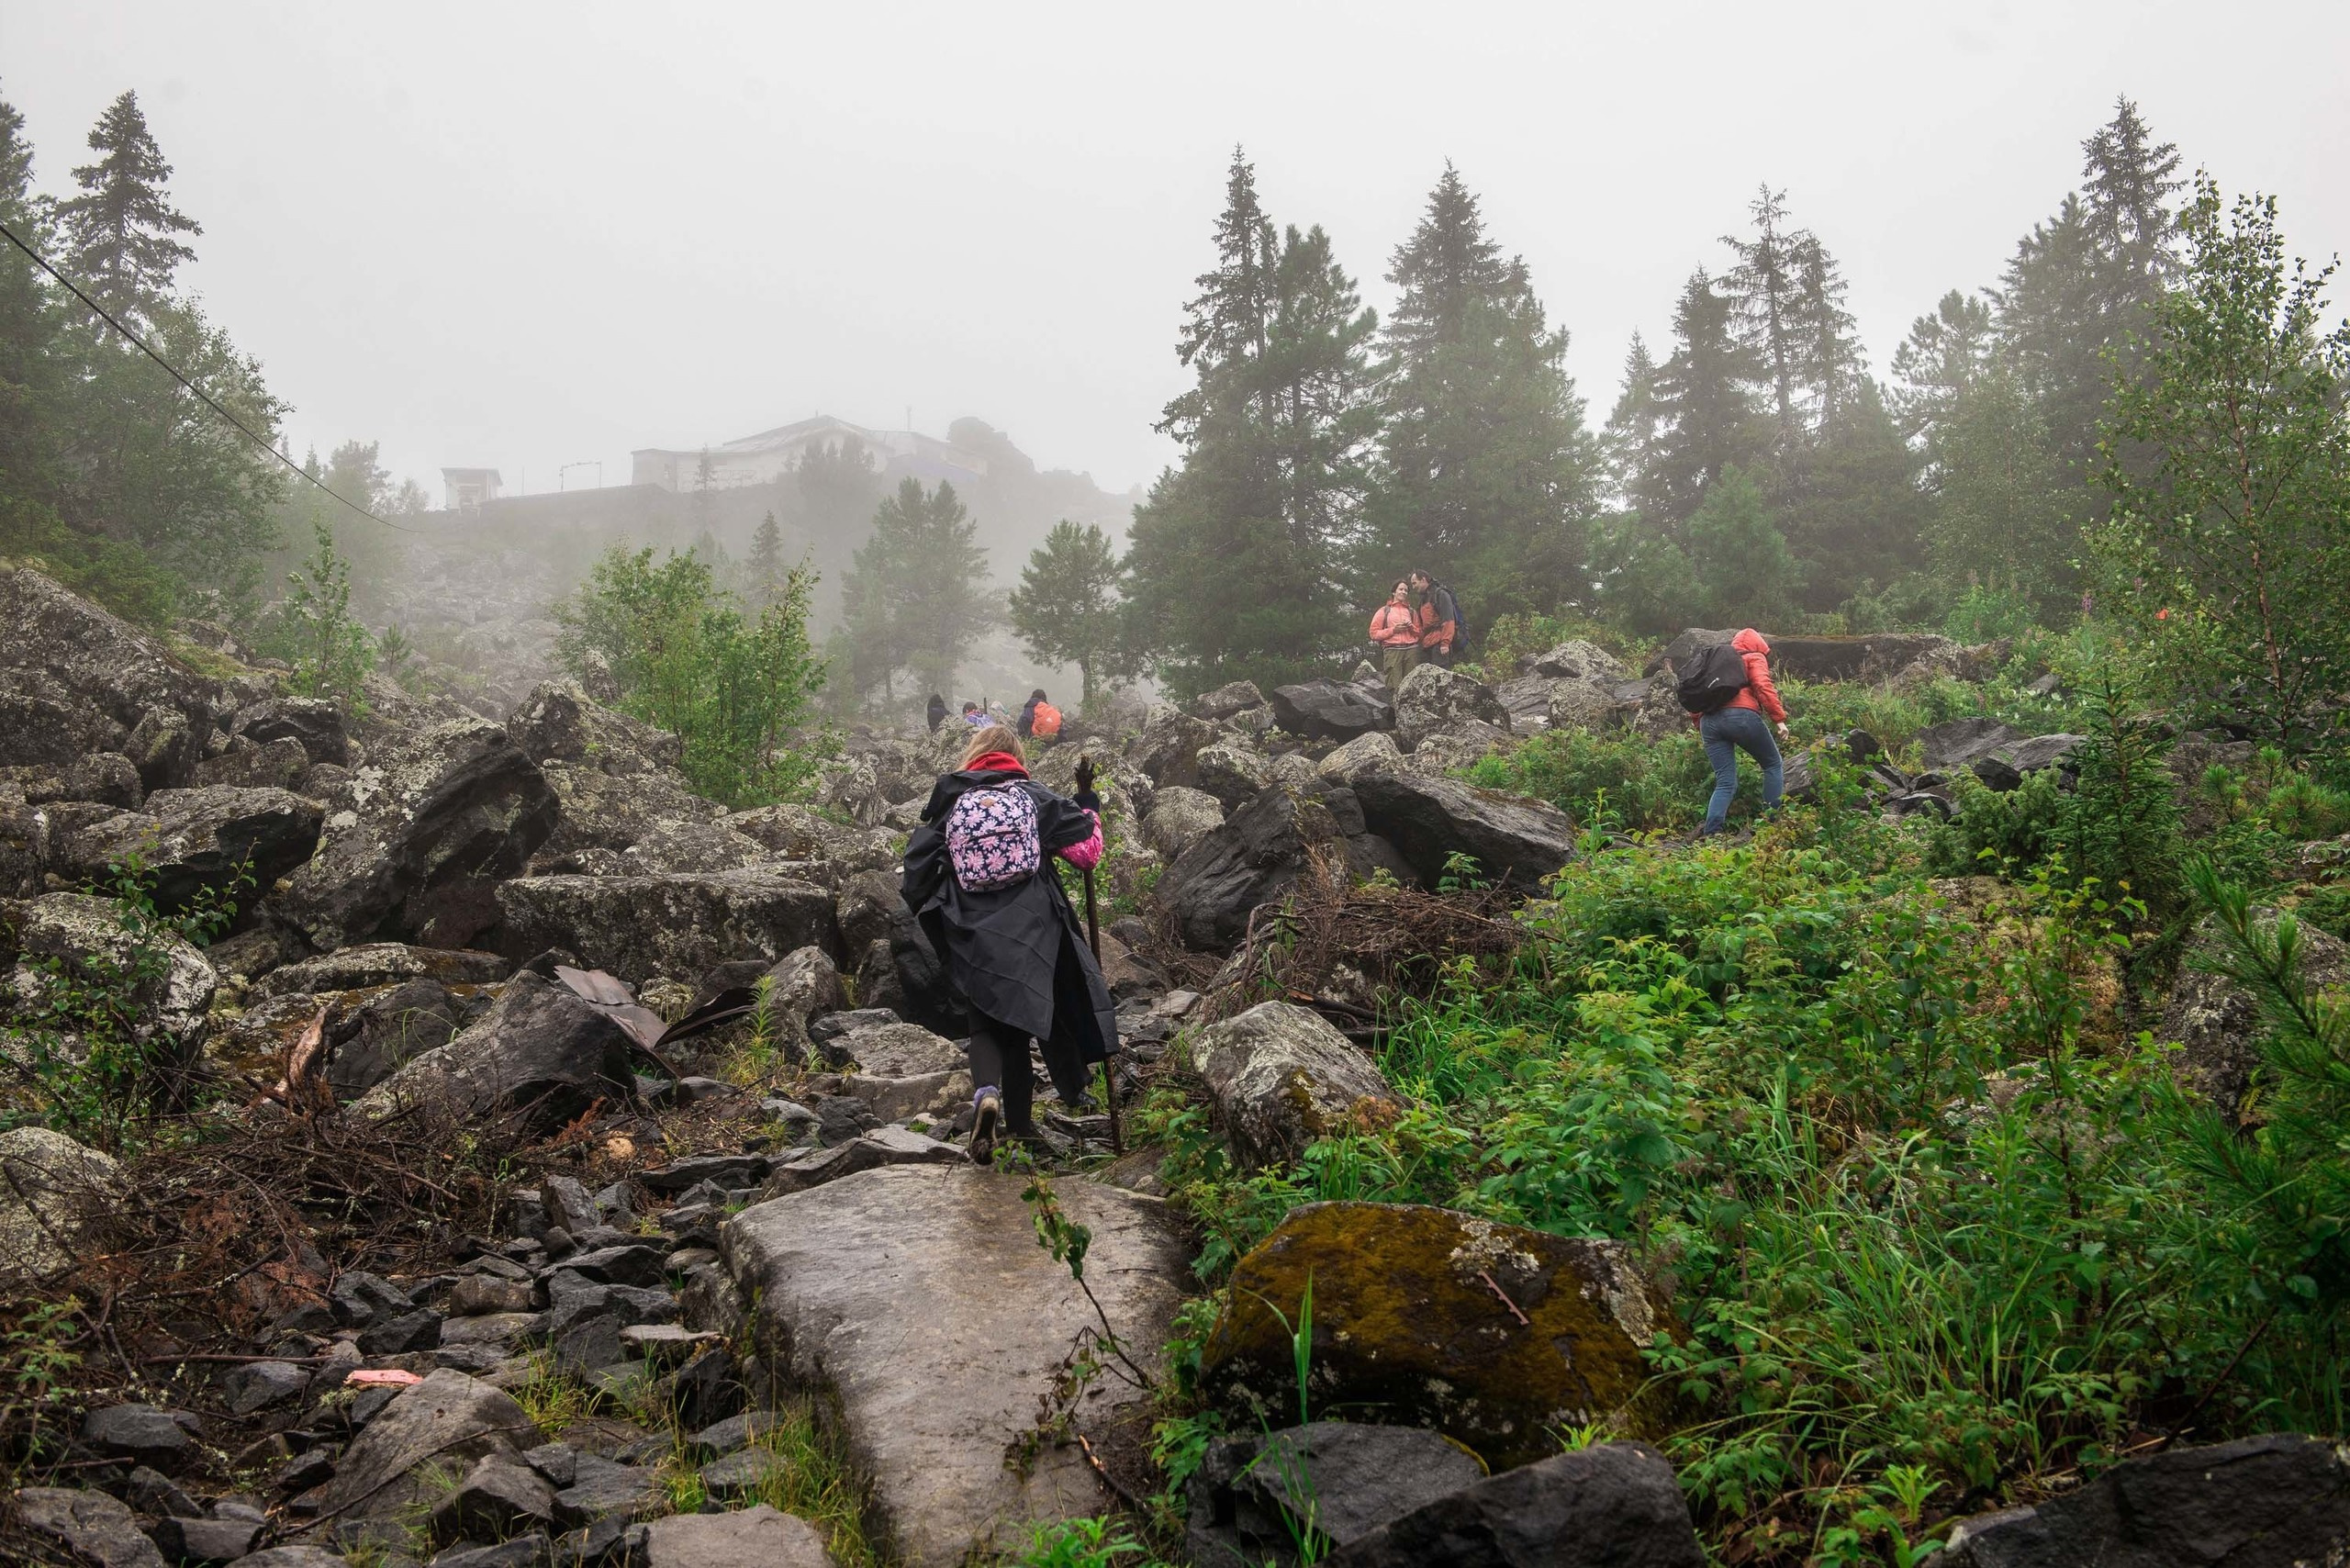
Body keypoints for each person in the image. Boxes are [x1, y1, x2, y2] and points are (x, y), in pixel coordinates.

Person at [901, 724, 1118, 1163]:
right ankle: (1021, 1127)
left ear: (975, 754)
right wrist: (1089, 807)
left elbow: (917, 870)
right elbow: (1087, 854)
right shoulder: (1034, 796)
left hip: (971, 928)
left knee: (983, 1024)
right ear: (1015, 755)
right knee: (1017, 1028)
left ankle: (986, 1094)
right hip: (1030, 926)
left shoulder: (952, 801)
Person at [1683, 628, 1789, 836]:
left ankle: (1712, 834)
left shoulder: (1715, 664)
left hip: (1709, 722)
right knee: (1772, 764)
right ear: (1759, 644)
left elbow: (1698, 697)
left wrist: (1700, 725)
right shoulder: (1753, 657)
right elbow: (1762, 685)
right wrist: (1779, 719)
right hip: (1741, 716)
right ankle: (1770, 825)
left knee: (1725, 782)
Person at [1369, 581, 1423, 691]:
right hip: (1392, 650)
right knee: (1394, 685)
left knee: (1412, 685)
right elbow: (1373, 633)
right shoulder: (1384, 611)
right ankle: (1395, 708)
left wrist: (1411, 628)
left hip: (1411, 650)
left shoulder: (1412, 612)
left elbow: (1420, 633)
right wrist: (1393, 630)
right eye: (1401, 589)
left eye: (1406, 590)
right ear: (1394, 592)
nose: (1404, 592)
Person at [1409, 569, 1461, 667]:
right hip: (1427, 645)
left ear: (1423, 580)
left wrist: (1445, 643)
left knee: (1440, 677)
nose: (1413, 587)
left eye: (1414, 583)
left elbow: (1448, 620)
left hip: (1440, 644)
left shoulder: (1441, 594)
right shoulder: (1423, 600)